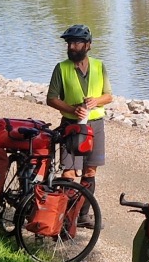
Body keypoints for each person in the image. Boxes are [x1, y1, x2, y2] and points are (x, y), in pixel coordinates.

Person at [46, 24, 111, 220]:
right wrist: (72, 109)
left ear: (88, 45)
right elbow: (51, 99)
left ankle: (82, 215)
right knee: (69, 172)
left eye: (76, 43)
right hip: (71, 126)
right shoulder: (61, 68)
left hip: (95, 125)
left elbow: (108, 96)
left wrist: (96, 101)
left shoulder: (99, 66)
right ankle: (64, 218)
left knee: (90, 171)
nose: (71, 47)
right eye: (69, 43)